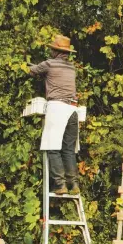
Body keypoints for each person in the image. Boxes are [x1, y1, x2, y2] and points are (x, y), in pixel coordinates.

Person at [29, 34, 80, 195]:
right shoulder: (71, 67)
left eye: (52, 49)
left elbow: (33, 71)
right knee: (68, 149)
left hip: (57, 107)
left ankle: (60, 185)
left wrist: (31, 66)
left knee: (52, 147)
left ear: (56, 51)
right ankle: (74, 184)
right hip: (73, 109)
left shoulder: (49, 64)